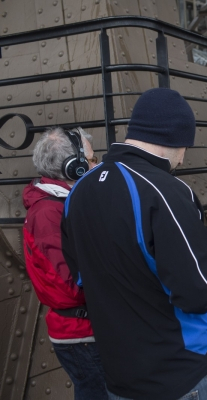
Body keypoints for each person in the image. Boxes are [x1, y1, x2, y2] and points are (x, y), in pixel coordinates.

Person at [61, 88, 207, 400]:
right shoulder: (166, 190)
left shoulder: (79, 191)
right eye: (186, 146)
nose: (183, 158)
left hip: (120, 378)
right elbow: (199, 292)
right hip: (182, 375)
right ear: (174, 137)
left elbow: (83, 275)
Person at [23, 127, 106, 400]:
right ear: (74, 167)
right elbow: (68, 283)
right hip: (81, 334)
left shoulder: (62, 203)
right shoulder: (49, 213)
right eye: (93, 160)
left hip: (87, 329)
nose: (98, 164)